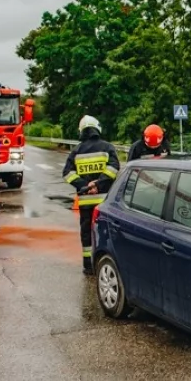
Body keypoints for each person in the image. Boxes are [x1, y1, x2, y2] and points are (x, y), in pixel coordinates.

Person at [62, 115, 120, 275]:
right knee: (105, 233)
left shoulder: (76, 151)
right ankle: (107, 265)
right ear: (97, 128)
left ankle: (88, 266)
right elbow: (114, 168)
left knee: (87, 232)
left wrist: (85, 186)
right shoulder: (107, 147)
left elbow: (67, 173)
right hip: (105, 202)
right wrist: (98, 183)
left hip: (85, 201)